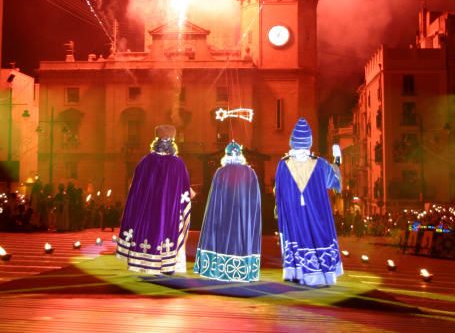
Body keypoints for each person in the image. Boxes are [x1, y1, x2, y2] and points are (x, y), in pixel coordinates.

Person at [275, 117, 343, 287]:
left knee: (297, 240)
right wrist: (337, 163)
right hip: (317, 214)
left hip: (293, 214)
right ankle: (321, 275)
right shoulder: (320, 164)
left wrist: (280, 211)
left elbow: (279, 192)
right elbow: (334, 182)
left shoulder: (283, 165)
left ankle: (297, 273)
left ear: (293, 141)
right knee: (318, 239)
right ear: (309, 142)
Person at [116, 125, 191, 275]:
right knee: (166, 232)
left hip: (147, 211)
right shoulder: (178, 164)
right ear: (172, 143)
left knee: (147, 232)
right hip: (168, 212)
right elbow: (184, 192)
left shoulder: (145, 162)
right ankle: (166, 265)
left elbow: (135, 190)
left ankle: (143, 263)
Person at [194, 141, 261, 282]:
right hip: (243, 216)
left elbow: (214, 199)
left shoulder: (221, 172)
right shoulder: (250, 172)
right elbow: (255, 200)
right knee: (241, 238)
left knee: (223, 239)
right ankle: (243, 271)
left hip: (223, 215)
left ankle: (219, 270)